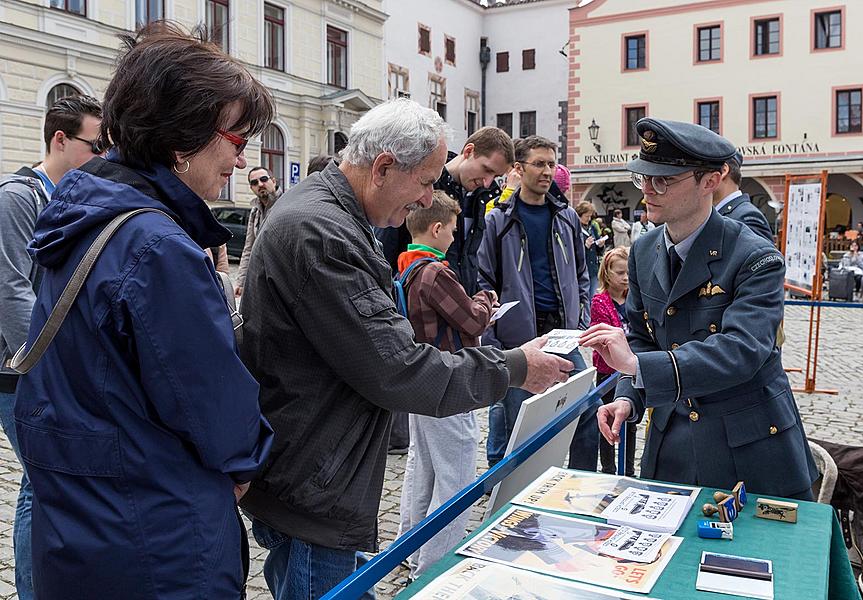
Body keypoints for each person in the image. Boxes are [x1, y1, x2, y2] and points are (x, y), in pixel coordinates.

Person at [237, 98, 572, 600]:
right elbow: (398, 368)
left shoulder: (330, 214)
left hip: (317, 470)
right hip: (316, 480)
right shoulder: (322, 232)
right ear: (384, 168)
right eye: (425, 181)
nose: (426, 199)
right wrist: (517, 366)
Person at [14, 23, 275, 598]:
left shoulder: (86, 214)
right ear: (184, 138)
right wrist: (245, 460)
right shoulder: (156, 244)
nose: (241, 159)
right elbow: (209, 396)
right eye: (234, 140)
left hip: (84, 519)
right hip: (155, 534)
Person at [583, 117, 817, 500]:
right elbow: (642, 336)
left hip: (749, 452)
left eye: (663, 181)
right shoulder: (643, 250)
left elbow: (742, 350)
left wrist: (636, 368)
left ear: (710, 180)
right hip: (672, 445)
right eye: (643, 179)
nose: (648, 192)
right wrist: (628, 395)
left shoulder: (755, 257)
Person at [0, 93, 102, 600]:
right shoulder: (17, 196)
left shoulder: (69, 199)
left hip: (45, 365)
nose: (100, 157)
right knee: (39, 484)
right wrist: (42, 366)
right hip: (21, 371)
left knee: (41, 483)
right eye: (93, 145)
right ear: (60, 140)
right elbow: (12, 288)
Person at [379, 126, 514, 454]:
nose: (487, 181)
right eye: (486, 170)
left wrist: (472, 297)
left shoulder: (480, 196)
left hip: (455, 311)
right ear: (468, 152)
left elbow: (470, 255)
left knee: (427, 453)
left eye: (495, 176)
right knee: (448, 447)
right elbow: (388, 249)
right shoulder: (426, 189)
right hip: (431, 328)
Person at [395, 190, 498, 579]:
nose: (455, 238)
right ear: (436, 229)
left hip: (422, 381)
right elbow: (473, 321)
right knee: (456, 477)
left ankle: (408, 546)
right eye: (452, 231)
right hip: (449, 382)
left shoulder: (405, 267)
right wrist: (487, 299)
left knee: (422, 470)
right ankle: (436, 565)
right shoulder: (435, 272)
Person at [477, 135, 592, 469]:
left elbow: (583, 271)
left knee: (585, 409)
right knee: (518, 423)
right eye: (539, 163)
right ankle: (510, 490)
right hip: (520, 337)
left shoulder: (566, 216)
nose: (547, 171)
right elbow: (485, 279)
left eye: (551, 164)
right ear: (518, 168)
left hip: (563, 332)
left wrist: (580, 313)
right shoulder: (498, 219)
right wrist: (493, 335)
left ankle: (583, 481)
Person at [589, 247, 636, 476]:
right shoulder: (600, 302)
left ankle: (627, 468)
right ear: (607, 273)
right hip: (608, 371)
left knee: (631, 419)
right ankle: (608, 468)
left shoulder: (634, 299)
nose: (625, 277)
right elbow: (606, 336)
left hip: (630, 369)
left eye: (628, 272)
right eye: (620, 273)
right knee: (608, 418)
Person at [235, 165, 282, 296]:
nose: (260, 184)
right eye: (254, 182)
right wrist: (241, 281)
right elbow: (249, 248)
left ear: (273, 181)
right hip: (263, 279)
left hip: (284, 279)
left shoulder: (287, 203)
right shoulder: (255, 211)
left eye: (264, 179)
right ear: (251, 188)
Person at [713, 153, 773, 242]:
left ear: (723, 171)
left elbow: (760, 255)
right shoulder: (729, 214)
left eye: (701, 173)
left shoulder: (746, 217)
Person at [576, 201, 603, 297]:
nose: (589, 218)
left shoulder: (592, 228)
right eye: (587, 216)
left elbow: (598, 250)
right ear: (580, 215)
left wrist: (600, 245)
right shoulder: (575, 229)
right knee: (584, 296)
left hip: (593, 268)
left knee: (593, 296)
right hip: (582, 269)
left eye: (590, 216)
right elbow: (573, 252)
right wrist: (585, 246)